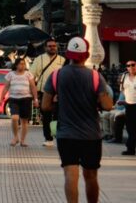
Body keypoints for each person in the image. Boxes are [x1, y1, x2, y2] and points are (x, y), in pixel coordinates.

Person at [40, 37, 113, 203]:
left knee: (70, 175)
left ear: (68, 54)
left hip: (66, 135)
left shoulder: (56, 75)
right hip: (91, 136)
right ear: (86, 55)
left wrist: (60, 105)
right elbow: (108, 106)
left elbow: (45, 106)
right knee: (91, 176)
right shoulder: (95, 77)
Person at [31, 39, 66, 146]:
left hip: (58, 93)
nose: (52, 48)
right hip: (44, 92)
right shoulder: (39, 59)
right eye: (50, 46)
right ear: (45, 48)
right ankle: (48, 138)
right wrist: (34, 94)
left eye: (54, 46)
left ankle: (58, 136)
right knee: (46, 116)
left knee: (58, 116)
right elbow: (31, 76)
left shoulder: (62, 60)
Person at [2, 57, 39, 147]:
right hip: (14, 99)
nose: (22, 65)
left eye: (23, 64)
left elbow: (33, 87)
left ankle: (23, 140)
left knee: (24, 121)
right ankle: (15, 137)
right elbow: (6, 87)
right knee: (14, 118)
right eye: (20, 64)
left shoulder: (28, 74)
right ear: (16, 65)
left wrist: (36, 99)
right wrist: (1, 99)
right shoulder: (10, 74)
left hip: (26, 99)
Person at [120, 58, 136, 155]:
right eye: (128, 65)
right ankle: (130, 149)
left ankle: (130, 148)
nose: (130, 67)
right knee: (130, 128)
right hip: (128, 105)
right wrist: (122, 100)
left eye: (133, 65)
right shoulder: (124, 76)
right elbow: (122, 89)